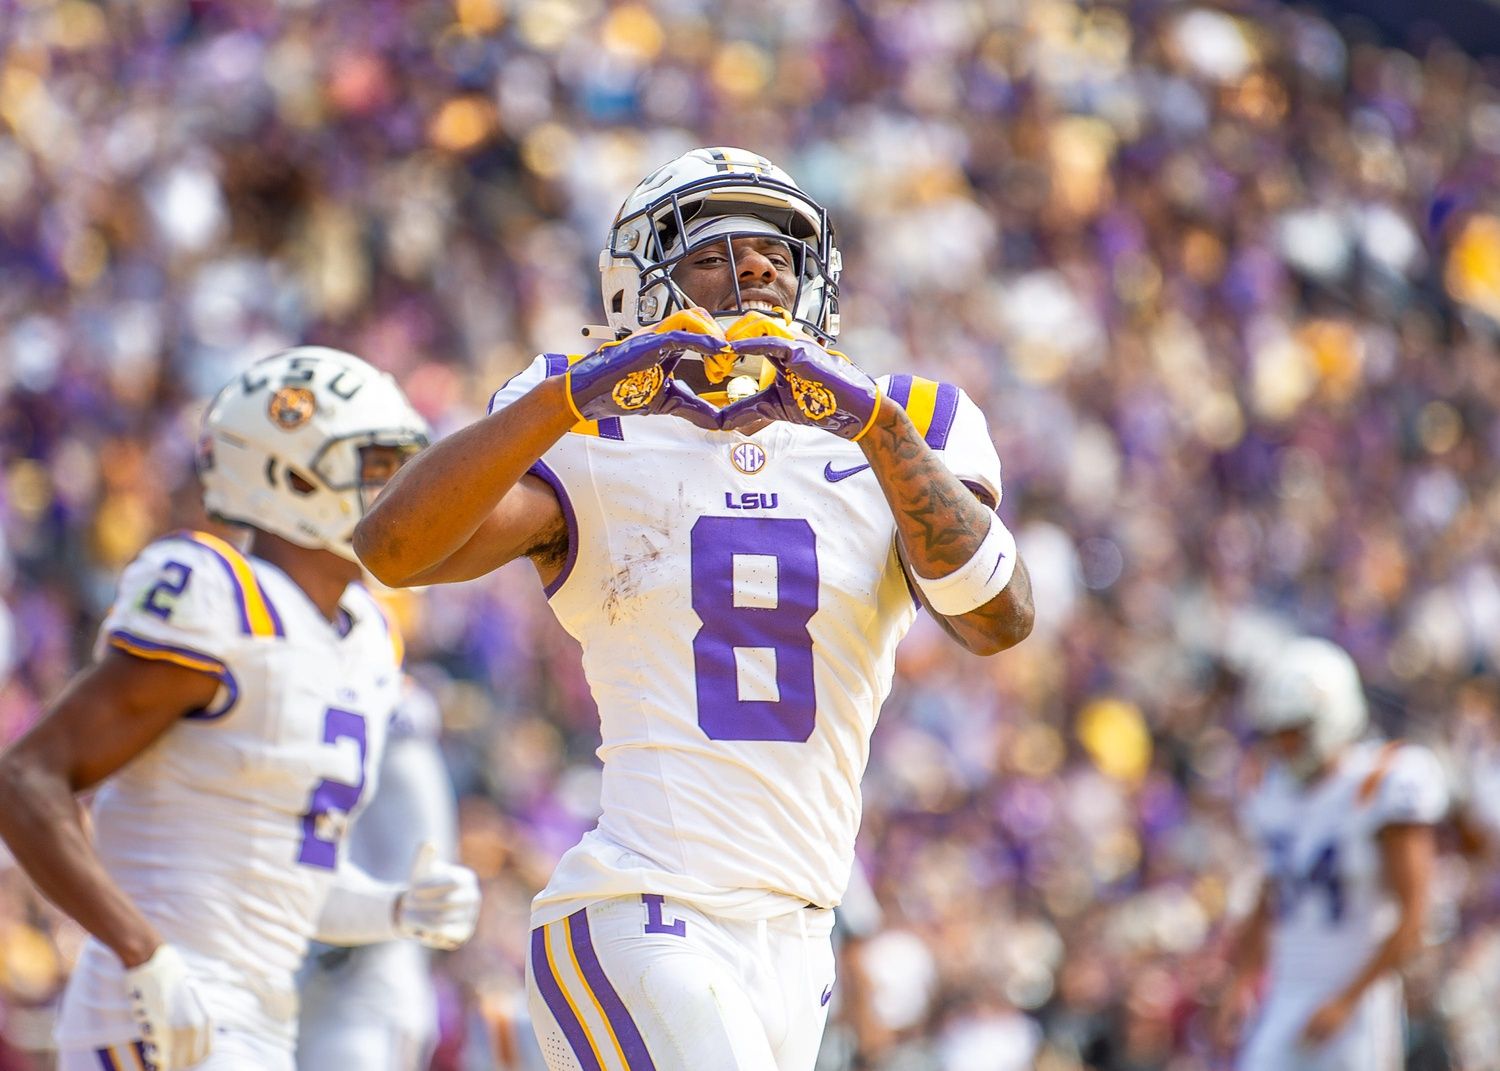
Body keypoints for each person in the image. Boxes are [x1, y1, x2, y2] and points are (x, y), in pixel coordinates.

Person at [357, 145, 1034, 1069]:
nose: (755, 267)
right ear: (641, 287)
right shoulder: (596, 424)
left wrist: (871, 425)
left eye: (776, 252)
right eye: (712, 251)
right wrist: (570, 395)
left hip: (799, 941)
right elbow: (393, 549)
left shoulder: (908, 415)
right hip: (641, 913)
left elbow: (997, 619)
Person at [0, 347, 481, 1071]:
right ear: (289, 476)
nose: (404, 486)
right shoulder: (218, 595)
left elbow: (282, 881)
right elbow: (26, 778)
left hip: (256, 1020)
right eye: (378, 464)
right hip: (160, 1013)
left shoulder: (365, 636)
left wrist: (391, 909)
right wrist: (143, 952)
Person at [1221, 637, 1447, 1071]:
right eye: (1278, 733)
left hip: (1358, 999)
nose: (1285, 745)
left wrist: (1347, 999)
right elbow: (1272, 896)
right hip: (1288, 990)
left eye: (1295, 731)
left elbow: (1415, 913)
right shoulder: (1274, 792)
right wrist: (1242, 979)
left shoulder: (1380, 783)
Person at [296, 674, 460, 1071]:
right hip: (303, 975)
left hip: (365, 979)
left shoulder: (387, 706)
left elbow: (425, 860)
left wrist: (359, 923)